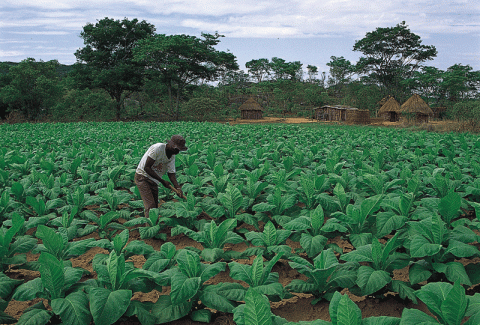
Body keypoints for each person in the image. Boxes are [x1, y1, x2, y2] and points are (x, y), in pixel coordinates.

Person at [134, 134, 187, 218]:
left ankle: (154, 223)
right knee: (150, 206)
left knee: (155, 206)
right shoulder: (158, 148)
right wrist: (162, 181)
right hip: (142, 177)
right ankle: (149, 228)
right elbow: (147, 167)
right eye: (176, 149)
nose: (177, 152)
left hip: (154, 180)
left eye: (179, 150)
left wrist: (178, 188)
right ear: (170, 145)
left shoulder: (172, 156)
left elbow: (171, 174)